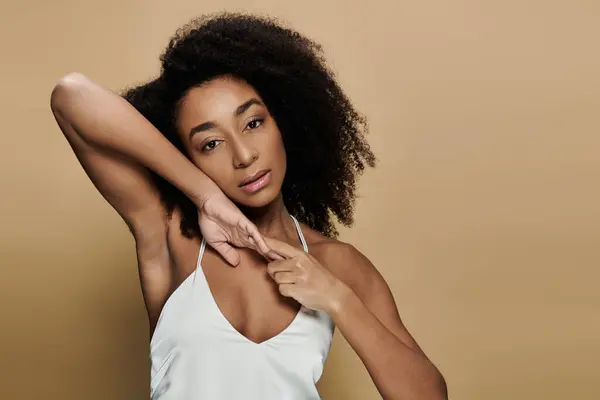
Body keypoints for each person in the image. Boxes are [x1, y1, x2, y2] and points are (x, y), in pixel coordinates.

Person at [50, 12, 447, 400]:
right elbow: (71, 95)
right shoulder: (168, 231)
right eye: (210, 143)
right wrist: (205, 197)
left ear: (284, 122)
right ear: (187, 158)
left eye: (253, 123)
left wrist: (337, 298)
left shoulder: (338, 265)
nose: (243, 155)